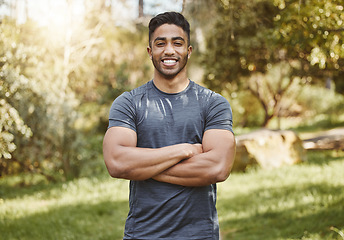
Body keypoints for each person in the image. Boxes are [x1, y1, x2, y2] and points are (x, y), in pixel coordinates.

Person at [103, 11, 236, 240]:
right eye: (160, 43)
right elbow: (117, 162)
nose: (169, 50)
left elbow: (217, 168)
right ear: (150, 51)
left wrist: (144, 167)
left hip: (199, 235)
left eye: (177, 43)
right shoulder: (129, 103)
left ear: (189, 51)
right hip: (142, 235)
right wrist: (184, 150)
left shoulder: (213, 104)